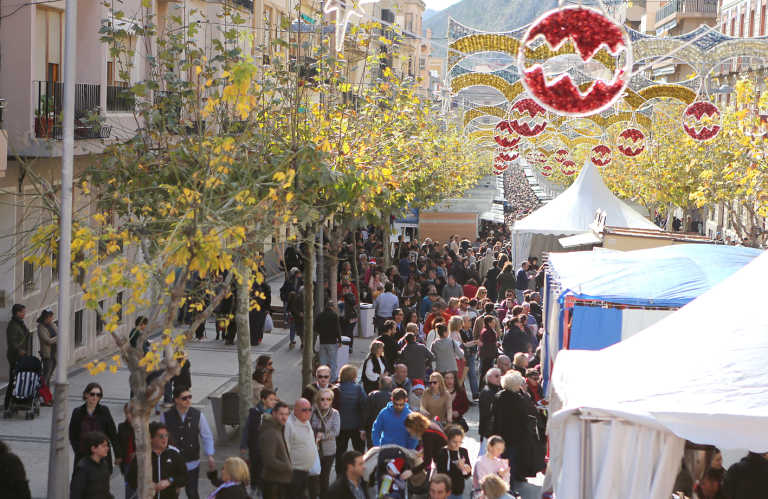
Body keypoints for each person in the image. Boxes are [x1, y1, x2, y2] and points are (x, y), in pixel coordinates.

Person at [161, 385, 216, 499]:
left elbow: (207, 436)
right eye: (184, 398)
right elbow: (160, 437)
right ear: (176, 400)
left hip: (192, 462)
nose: (188, 400)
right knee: (171, 494)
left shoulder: (198, 415)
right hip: (172, 463)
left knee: (192, 493)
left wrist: (210, 454)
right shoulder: (166, 416)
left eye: (189, 397)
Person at [492, 371, 536, 482]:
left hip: (501, 433)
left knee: (502, 460)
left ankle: (504, 482)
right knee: (511, 460)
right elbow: (524, 418)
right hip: (515, 436)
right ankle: (509, 483)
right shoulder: (518, 399)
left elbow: (494, 415)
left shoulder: (498, 396)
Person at [126, 422, 189, 499]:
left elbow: (185, 477)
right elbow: (131, 479)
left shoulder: (174, 454)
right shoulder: (142, 456)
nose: (165, 439)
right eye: (161, 436)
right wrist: (146, 485)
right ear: (151, 438)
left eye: (166, 435)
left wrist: (169, 481)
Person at [68, 383, 120, 474]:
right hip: (83, 456)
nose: (95, 397)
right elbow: (73, 435)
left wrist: (117, 455)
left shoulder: (104, 411)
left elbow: (113, 434)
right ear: (86, 395)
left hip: (102, 455)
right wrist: (78, 450)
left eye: (98, 395)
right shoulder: (77, 412)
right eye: (92, 394)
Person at [239, 388, 277, 494]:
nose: (274, 402)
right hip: (255, 447)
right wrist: (243, 445)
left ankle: (262, 488)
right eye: (271, 399)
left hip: (269, 447)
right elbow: (247, 429)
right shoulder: (254, 412)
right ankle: (254, 487)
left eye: (274, 400)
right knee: (255, 467)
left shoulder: (275, 413)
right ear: (263, 400)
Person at [334, 365, 367, 476]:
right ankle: (359, 474)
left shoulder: (336, 388)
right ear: (353, 376)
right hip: (356, 426)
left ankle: (340, 475)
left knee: (340, 452)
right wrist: (363, 427)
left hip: (340, 426)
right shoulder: (358, 389)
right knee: (359, 451)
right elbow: (364, 406)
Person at [284, 398, 319, 499]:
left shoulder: (305, 421)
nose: (308, 412)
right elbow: (285, 449)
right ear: (295, 410)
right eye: (304, 410)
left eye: (310, 409)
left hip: (306, 470)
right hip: (294, 471)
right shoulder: (289, 425)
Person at [258, 402, 293, 499]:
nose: (284, 417)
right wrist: (288, 466)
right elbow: (269, 460)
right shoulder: (270, 432)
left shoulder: (278, 428)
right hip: (274, 483)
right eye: (281, 414)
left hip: (280, 481)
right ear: (274, 414)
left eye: (286, 414)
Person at [70, 431, 114, 499]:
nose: (107, 448)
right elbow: (76, 494)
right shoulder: (82, 468)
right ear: (93, 449)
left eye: (107, 445)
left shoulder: (104, 464)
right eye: (103, 446)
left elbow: (105, 491)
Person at [5, 304, 31, 410]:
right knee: (13, 380)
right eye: (23, 312)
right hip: (15, 357)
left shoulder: (20, 323)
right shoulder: (13, 326)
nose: (25, 314)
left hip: (22, 356)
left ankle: (18, 401)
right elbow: (12, 341)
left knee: (21, 379)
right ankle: (7, 404)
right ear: (17, 313)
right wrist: (19, 350)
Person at [404, 412, 447, 477]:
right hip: (444, 459)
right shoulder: (429, 426)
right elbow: (434, 443)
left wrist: (411, 472)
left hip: (444, 464)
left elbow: (427, 462)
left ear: (415, 428)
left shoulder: (427, 436)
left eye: (410, 431)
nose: (410, 434)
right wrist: (421, 452)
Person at [434, 425, 472, 499]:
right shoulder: (442, 453)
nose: (457, 445)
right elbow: (441, 474)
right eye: (454, 442)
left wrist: (467, 470)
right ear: (448, 440)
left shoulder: (463, 451)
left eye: (460, 442)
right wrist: (457, 467)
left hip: (459, 490)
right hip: (446, 491)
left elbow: (467, 476)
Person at [316, 303, 342, 382]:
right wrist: (340, 340)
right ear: (332, 307)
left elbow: (315, 327)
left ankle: (321, 378)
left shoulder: (320, 315)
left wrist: (321, 332)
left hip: (322, 341)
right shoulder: (334, 316)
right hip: (332, 341)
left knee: (322, 362)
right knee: (332, 362)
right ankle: (332, 379)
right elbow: (337, 329)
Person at [365, 376, 393, 447]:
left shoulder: (372, 395)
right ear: (391, 385)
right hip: (388, 430)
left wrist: (363, 428)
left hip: (373, 428)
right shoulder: (393, 397)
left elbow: (366, 413)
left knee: (373, 450)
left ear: (380, 384)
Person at [117, 404, 137, 498]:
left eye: (131, 412)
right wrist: (119, 457)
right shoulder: (121, 427)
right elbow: (119, 444)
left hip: (140, 463)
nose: (129, 415)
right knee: (129, 489)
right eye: (127, 413)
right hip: (127, 463)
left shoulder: (143, 426)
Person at [36, 309, 57, 387]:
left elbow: (58, 332)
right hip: (47, 355)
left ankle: (46, 390)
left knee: (50, 374)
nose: (52, 319)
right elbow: (48, 341)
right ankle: (43, 390)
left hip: (55, 353)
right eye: (51, 317)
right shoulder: (41, 327)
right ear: (46, 317)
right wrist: (58, 337)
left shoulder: (52, 324)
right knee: (46, 374)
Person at [478, 315, 499, 390]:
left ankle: (482, 388)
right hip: (488, 355)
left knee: (484, 372)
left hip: (485, 355)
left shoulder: (485, 330)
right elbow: (489, 344)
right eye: (493, 322)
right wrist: (496, 351)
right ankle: (484, 389)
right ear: (489, 323)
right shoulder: (489, 331)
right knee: (486, 373)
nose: (494, 324)